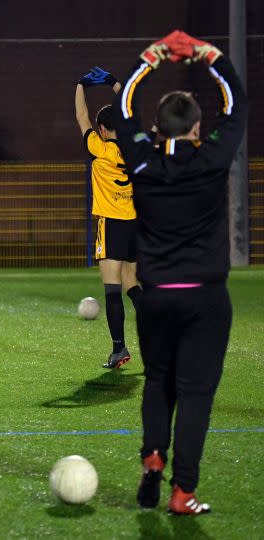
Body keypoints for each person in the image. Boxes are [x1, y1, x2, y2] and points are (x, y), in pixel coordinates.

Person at [112, 31, 246, 515]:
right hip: (205, 298)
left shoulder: (143, 160)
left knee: (158, 383)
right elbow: (237, 103)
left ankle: (152, 458)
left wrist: (149, 59)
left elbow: (123, 104)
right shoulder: (212, 158)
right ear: (197, 128)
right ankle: (182, 490)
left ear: (157, 127)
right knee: (194, 395)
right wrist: (210, 57)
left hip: (157, 296)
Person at [74, 66, 143, 369]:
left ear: (103, 129)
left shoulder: (99, 150)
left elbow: (81, 117)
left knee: (112, 288)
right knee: (133, 284)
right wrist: (116, 83)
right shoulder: (134, 149)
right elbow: (134, 109)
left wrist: (80, 85)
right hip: (136, 224)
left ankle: (119, 349)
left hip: (111, 224)